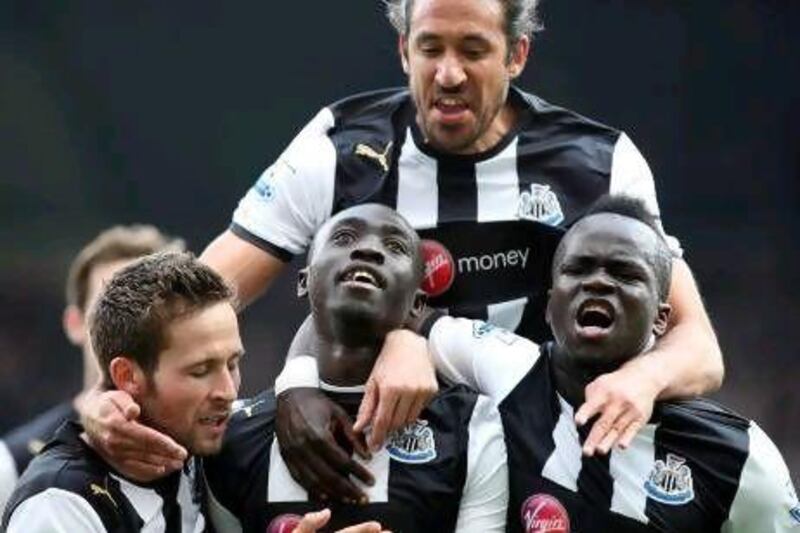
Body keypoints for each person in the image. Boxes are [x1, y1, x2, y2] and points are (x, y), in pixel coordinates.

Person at [86, 0, 723, 501]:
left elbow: (698, 346)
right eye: (430, 48)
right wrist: (100, 399)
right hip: (380, 470)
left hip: (540, 472)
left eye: (474, 49)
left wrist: (645, 376)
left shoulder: (600, 163)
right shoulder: (338, 146)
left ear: (517, 54)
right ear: (402, 49)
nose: (448, 72)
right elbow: (185, 305)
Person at [414, 195, 798, 531]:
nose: (597, 283)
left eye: (625, 273)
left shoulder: (740, 459)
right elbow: (404, 316)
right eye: (578, 270)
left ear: (662, 317)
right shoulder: (505, 365)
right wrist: (403, 344)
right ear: (549, 306)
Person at [204, 204, 507, 531]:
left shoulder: (472, 428)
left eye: (395, 247)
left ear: (417, 304)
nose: (367, 249)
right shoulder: (232, 435)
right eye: (344, 238)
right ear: (304, 281)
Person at [2, 252, 243, 531]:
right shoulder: (58, 506)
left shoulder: (212, 446)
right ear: (127, 376)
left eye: (233, 364)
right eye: (200, 371)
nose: (228, 391)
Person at [0, 225, 184, 512]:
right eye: (108, 307)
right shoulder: (11, 464)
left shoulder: (206, 455)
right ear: (74, 323)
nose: (128, 325)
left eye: (147, 308)